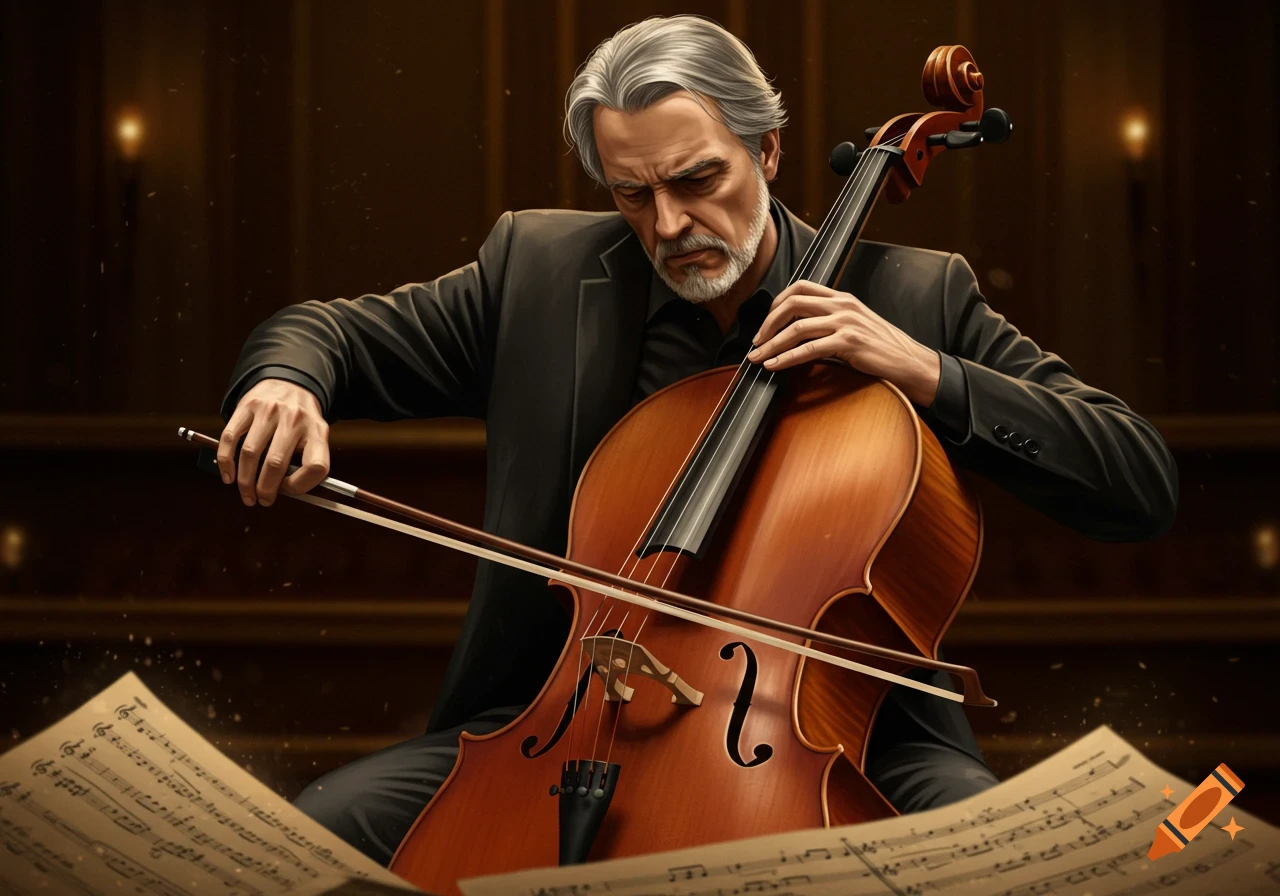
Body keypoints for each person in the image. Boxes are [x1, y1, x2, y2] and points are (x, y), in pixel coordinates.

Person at [216, 15, 1178, 866]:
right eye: (633, 195)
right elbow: (326, 333)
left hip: (846, 736)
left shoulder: (914, 297)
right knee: (323, 832)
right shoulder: (539, 276)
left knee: (980, 858)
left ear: (767, 150)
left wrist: (926, 370)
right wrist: (286, 382)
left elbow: (1135, 476)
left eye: (698, 179)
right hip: (561, 725)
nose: (671, 224)